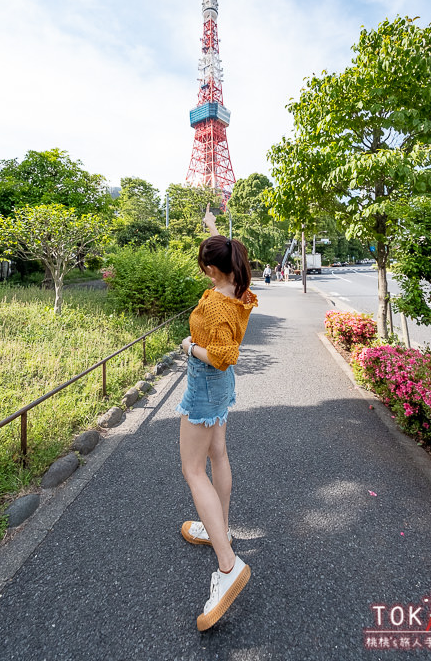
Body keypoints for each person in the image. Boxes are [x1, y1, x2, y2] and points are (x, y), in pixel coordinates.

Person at [177, 203, 258, 631]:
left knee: (193, 469)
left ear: (211, 269)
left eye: (205, 264)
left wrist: (190, 347)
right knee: (219, 455)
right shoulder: (240, 292)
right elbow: (228, 253)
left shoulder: (214, 309)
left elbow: (224, 356)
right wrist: (213, 229)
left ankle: (227, 566)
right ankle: (218, 528)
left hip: (207, 383)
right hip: (220, 390)